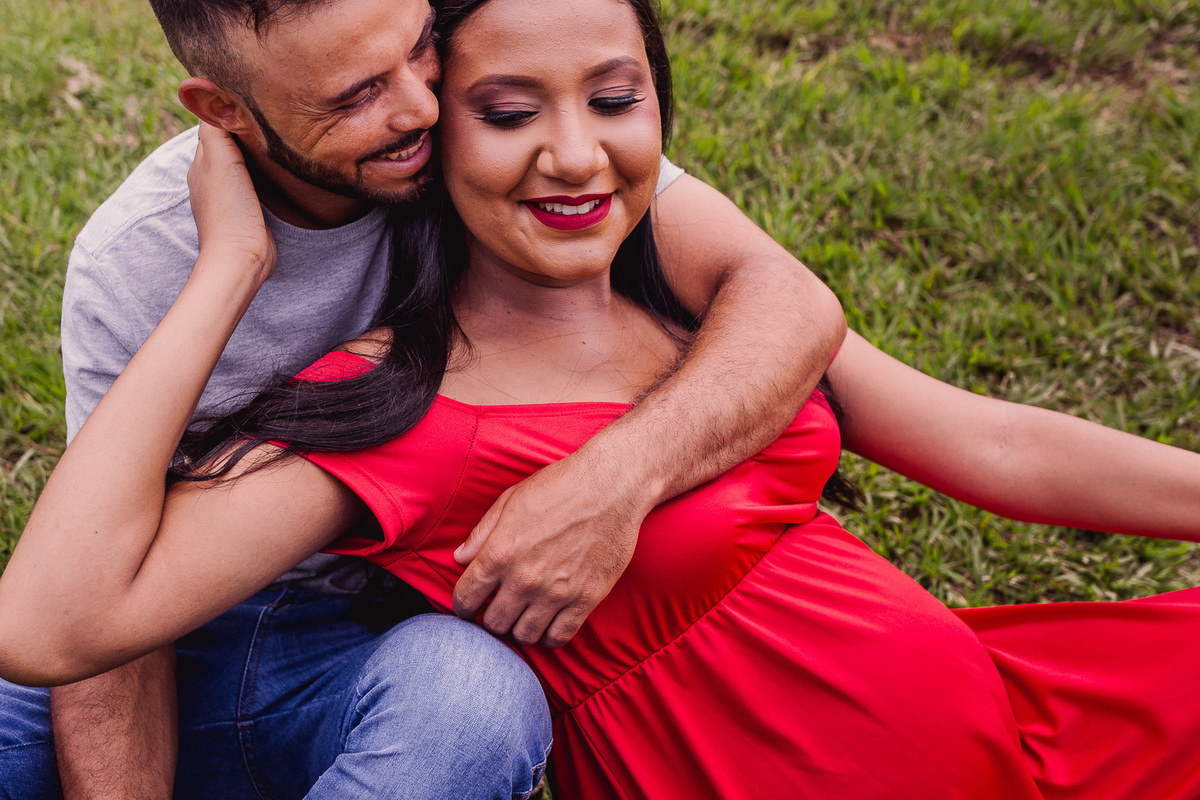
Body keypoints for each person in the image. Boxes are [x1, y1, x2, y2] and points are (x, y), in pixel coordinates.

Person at [4, 0, 1199, 798]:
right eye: (509, 113)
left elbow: (989, 436)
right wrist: (230, 268)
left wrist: (615, 477)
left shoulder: (659, 270)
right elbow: (67, 625)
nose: (571, 152)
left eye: (614, 103)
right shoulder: (391, 399)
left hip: (1030, 729)